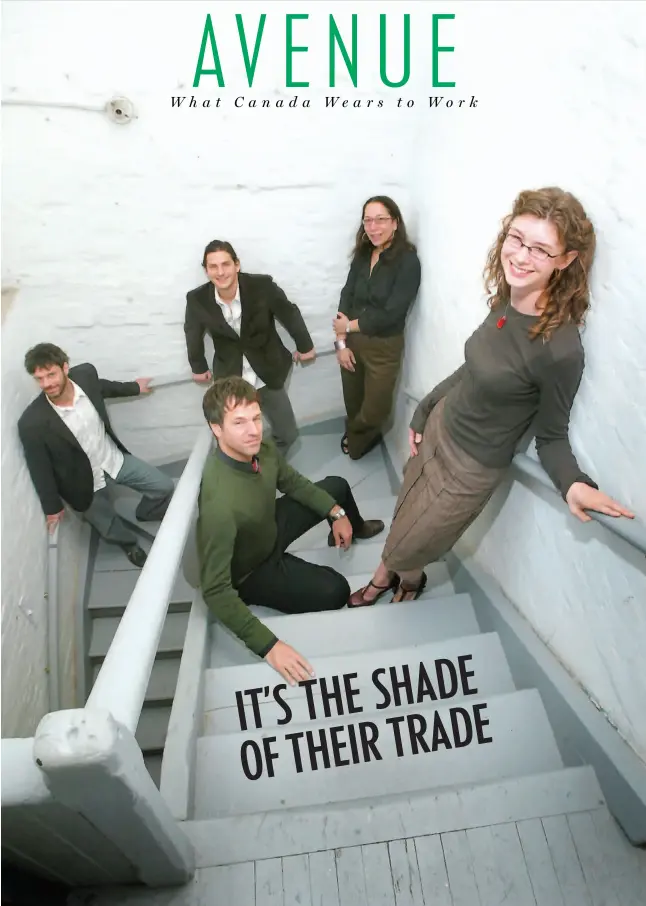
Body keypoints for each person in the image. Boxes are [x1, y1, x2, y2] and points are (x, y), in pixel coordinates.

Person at [348, 187, 635, 606]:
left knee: (416, 541)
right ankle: (391, 579)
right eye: (516, 238)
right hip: (442, 427)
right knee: (405, 512)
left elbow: (552, 435)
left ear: (567, 260)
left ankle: (404, 579)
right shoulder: (507, 300)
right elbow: (471, 369)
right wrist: (424, 411)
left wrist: (574, 484)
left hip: (471, 467)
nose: (520, 256)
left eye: (540, 249)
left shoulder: (560, 349)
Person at [196, 376, 385, 685]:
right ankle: (286, 575)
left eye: (256, 418)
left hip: (267, 525)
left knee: (336, 487)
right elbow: (214, 590)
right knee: (335, 591)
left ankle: (356, 526)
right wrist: (270, 647)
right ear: (217, 429)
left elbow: (293, 483)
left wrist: (335, 512)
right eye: (239, 422)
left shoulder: (262, 449)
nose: (254, 430)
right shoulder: (219, 504)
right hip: (252, 571)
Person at [18, 343, 175, 568]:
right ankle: (129, 544)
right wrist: (51, 508)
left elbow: (103, 387)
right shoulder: (32, 423)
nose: (46, 384)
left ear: (65, 367)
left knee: (163, 486)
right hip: (82, 484)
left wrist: (134, 387)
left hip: (113, 460)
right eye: (39, 378)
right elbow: (39, 467)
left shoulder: (85, 375)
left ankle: (145, 513)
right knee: (107, 524)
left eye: (51, 374)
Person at [184, 240, 316, 457]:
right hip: (230, 376)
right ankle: (249, 471)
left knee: (287, 433)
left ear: (237, 265)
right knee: (235, 437)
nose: (220, 272)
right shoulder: (196, 299)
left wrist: (305, 346)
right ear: (206, 271)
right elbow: (192, 332)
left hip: (269, 369)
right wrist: (198, 366)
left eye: (226, 264)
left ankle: (270, 465)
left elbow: (289, 313)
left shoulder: (262, 286)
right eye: (213, 267)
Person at [333, 196, 421, 460]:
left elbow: (392, 314)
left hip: (384, 346)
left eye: (381, 219)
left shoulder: (408, 262)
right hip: (352, 341)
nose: (373, 227)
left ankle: (357, 432)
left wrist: (348, 325)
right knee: (353, 399)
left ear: (395, 223)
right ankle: (358, 436)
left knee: (377, 408)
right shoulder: (363, 254)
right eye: (368, 220)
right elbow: (347, 295)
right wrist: (341, 342)